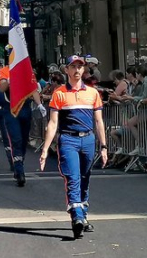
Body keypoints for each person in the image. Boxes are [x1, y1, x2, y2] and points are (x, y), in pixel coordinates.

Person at [40, 55, 107, 239]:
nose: (77, 70)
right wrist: (45, 149)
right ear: (67, 70)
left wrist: (103, 146)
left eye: (80, 67)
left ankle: (83, 215)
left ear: (84, 70)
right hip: (68, 140)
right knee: (73, 178)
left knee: (85, 177)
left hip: (88, 140)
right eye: (73, 66)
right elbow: (53, 123)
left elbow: (99, 122)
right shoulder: (59, 93)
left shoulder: (93, 93)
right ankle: (76, 217)